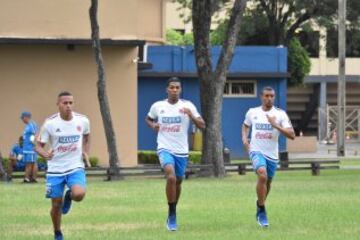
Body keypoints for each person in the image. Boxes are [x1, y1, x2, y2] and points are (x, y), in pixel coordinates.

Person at [145, 77, 205, 231]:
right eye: (172, 87)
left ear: (180, 90)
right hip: (164, 147)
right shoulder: (158, 106)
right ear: (167, 89)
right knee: (171, 177)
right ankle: (172, 214)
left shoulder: (188, 105)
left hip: (182, 150)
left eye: (177, 87)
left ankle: (173, 209)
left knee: (178, 181)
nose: (174, 90)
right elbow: (148, 119)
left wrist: (191, 115)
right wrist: (153, 125)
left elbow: (202, 125)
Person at [36, 91, 90, 240]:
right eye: (65, 103)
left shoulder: (83, 120)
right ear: (58, 104)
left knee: (79, 195)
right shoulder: (50, 123)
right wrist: (45, 154)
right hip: (55, 169)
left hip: (75, 166)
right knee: (56, 205)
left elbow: (86, 136)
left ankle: (70, 195)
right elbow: (38, 146)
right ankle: (57, 232)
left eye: (71, 103)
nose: (68, 106)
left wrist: (85, 152)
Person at [242, 86, 295, 227]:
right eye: (266, 96)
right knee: (262, 175)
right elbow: (245, 125)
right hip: (256, 150)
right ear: (261, 97)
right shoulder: (252, 112)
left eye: (272, 96)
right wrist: (244, 139)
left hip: (272, 154)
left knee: (268, 182)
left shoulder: (280, 114)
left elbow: (292, 135)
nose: (269, 98)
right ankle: (262, 210)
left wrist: (276, 125)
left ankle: (260, 203)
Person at [21, 111, 39, 183]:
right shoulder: (28, 125)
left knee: (32, 163)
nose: (22, 120)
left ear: (26, 117)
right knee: (29, 163)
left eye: (22, 118)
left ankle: (31, 178)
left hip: (31, 148)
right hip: (27, 148)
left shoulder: (32, 124)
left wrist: (35, 144)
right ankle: (28, 178)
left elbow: (37, 134)